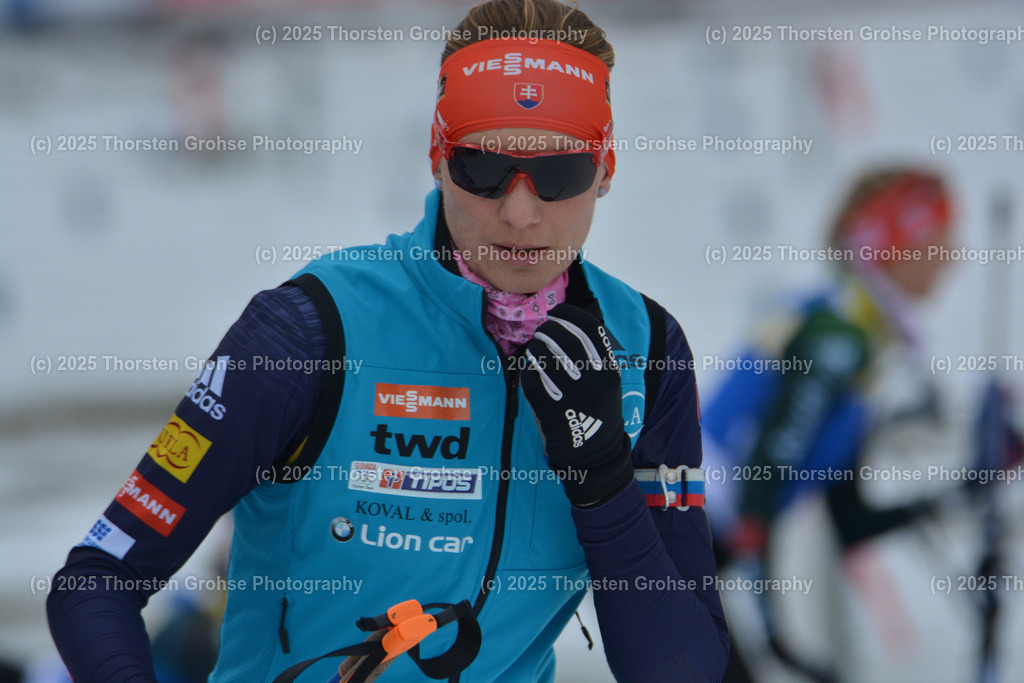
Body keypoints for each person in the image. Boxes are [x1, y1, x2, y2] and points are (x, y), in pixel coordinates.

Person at [46, 1, 730, 681]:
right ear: (437, 156)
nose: (520, 213)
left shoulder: (647, 351)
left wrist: (603, 484)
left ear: (606, 169)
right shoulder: (311, 333)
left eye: (560, 174)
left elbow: (684, 670)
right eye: (483, 170)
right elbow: (97, 578)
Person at [703, 167, 1019, 681]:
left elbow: (851, 522)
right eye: (940, 241)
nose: (953, 258)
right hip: (679, 533)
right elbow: (770, 461)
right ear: (896, 246)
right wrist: (771, 615)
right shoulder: (840, 333)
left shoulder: (862, 343)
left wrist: (972, 483)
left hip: (701, 542)